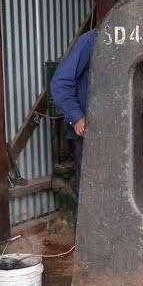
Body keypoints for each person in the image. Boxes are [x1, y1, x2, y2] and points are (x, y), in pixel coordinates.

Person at [50, 28, 98, 190]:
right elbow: (60, 82)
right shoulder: (91, 40)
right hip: (90, 135)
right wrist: (76, 116)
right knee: (91, 191)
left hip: (120, 135)